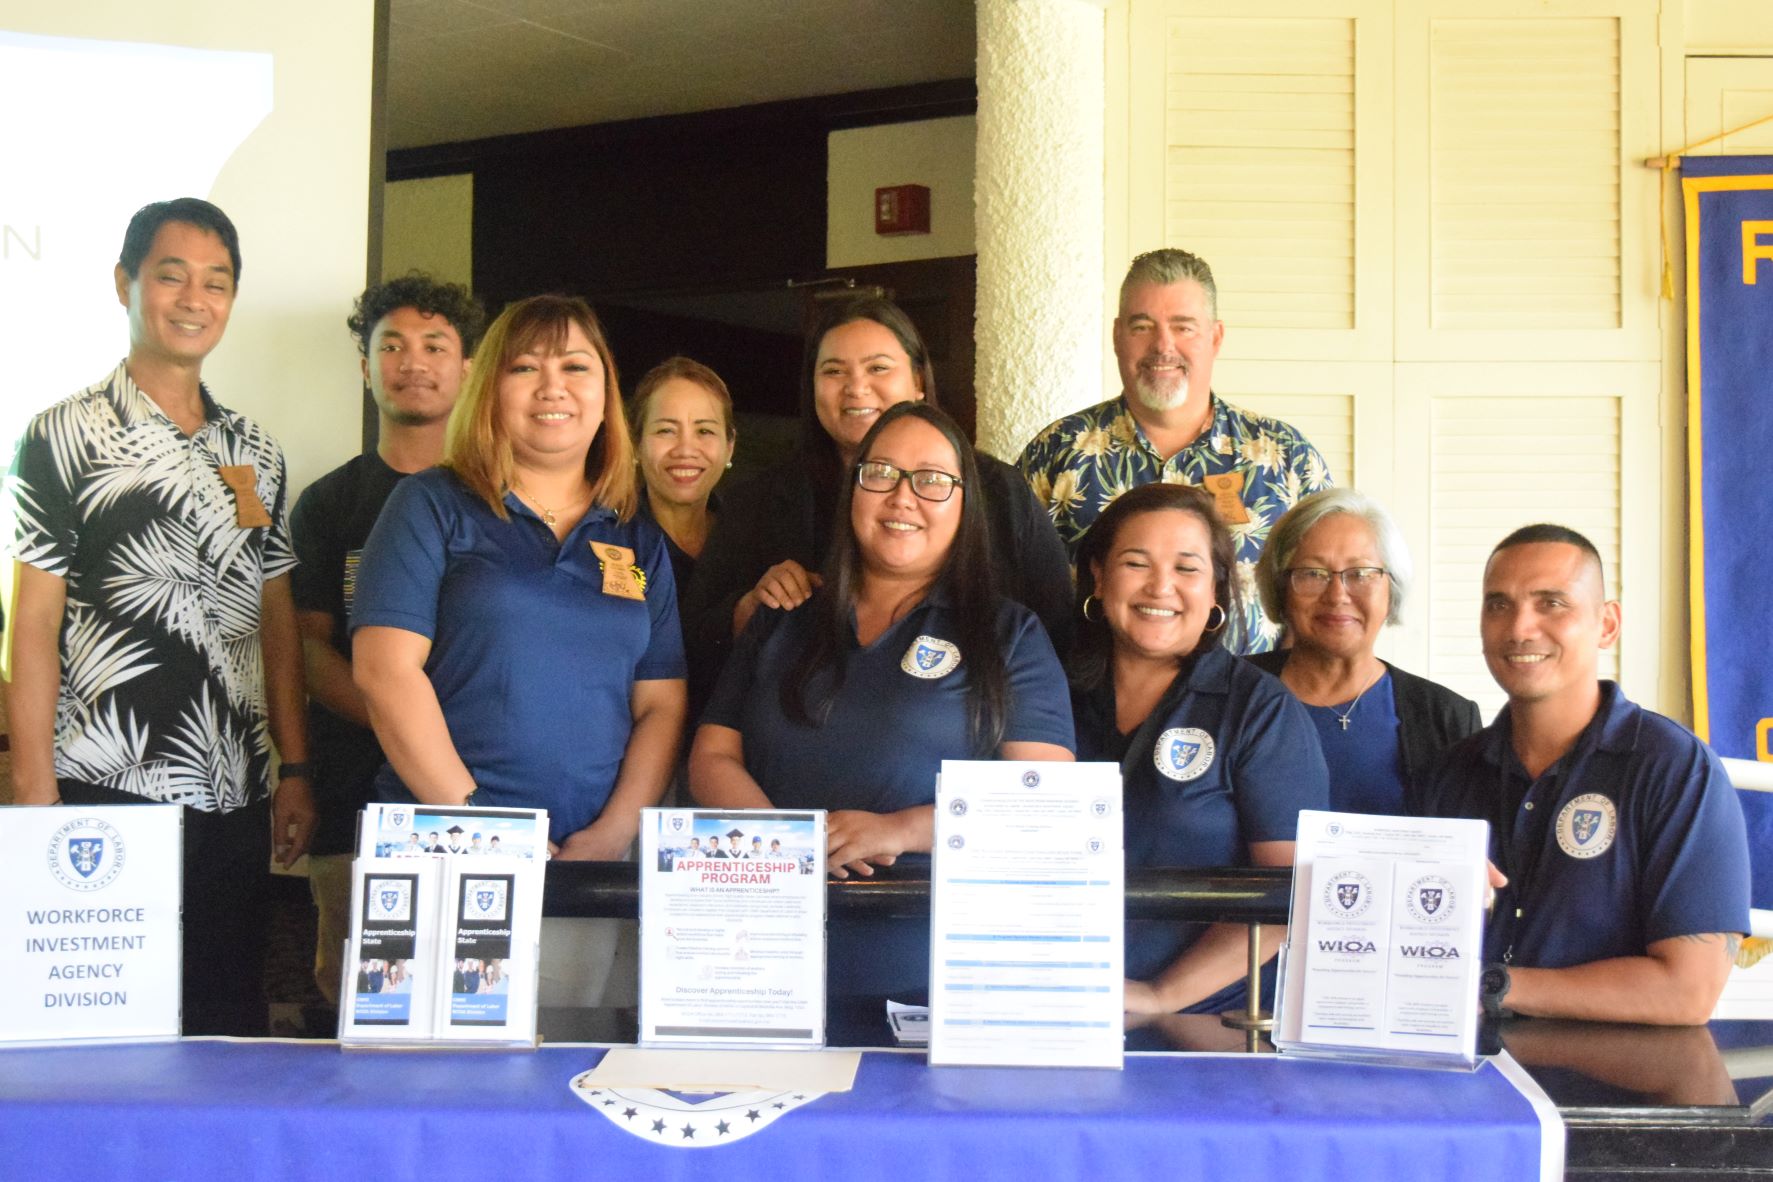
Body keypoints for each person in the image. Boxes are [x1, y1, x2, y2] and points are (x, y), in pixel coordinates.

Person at [4, 198, 313, 1037]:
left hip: (238, 789)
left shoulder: (256, 450)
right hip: (110, 783)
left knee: (227, 1021)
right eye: (170, 275)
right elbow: (32, 623)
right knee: (105, 1028)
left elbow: (275, 617)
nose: (192, 297)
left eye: (215, 282)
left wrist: (296, 766)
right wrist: (34, 794)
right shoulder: (62, 433)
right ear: (124, 284)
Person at [352, 294, 687, 1006]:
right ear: (488, 391)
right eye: (525, 367)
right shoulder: (431, 505)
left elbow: (661, 703)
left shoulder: (635, 538)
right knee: (436, 1092)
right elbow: (385, 672)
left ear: (605, 397)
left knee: (569, 1071)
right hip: (442, 847)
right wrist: (480, 829)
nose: (552, 386)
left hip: (586, 864)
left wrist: (611, 833)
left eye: (575, 366)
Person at [690, 402, 1075, 998]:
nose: (903, 496)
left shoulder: (1009, 635)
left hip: (935, 971)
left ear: (965, 505)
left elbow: (1046, 807)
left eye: (932, 481)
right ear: (853, 490)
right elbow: (713, 756)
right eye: (881, 473)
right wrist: (787, 847)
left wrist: (901, 830)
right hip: (761, 953)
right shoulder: (786, 615)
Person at [1411, 525, 1750, 1025]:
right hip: (1466, 1078)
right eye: (1498, 604)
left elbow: (1687, 993)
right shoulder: (1449, 774)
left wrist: (1490, 986)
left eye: (1551, 603)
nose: (1520, 628)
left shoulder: (1675, 769)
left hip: (1614, 1092)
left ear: (1607, 624)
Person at [685, 297, 1073, 705]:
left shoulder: (998, 493)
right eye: (833, 371)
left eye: (878, 368)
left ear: (918, 380)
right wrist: (747, 610)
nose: (856, 388)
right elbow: (690, 650)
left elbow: (1057, 639)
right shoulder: (757, 501)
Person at [292, 273, 483, 1008]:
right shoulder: (329, 502)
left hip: (479, 792)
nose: (414, 361)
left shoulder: (497, 498)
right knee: (362, 1006)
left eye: (436, 345)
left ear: (468, 368)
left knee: (482, 1002)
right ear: (365, 366)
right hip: (352, 801)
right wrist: (403, 721)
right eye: (392, 345)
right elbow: (308, 650)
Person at [1069, 482, 1329, 1015]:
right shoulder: (1049, 691)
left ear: (1216, 589)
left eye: (1187, 568)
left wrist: (1159, 998)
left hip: (1213, 1025)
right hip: (1059, 1009)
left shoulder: (1259, 710)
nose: (1161, 587)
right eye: (1136, 563)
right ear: (1099, 574)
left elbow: (1293, 896)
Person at [1018, 248, 1333, 654]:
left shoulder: (1288, 459)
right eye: (1142, 326)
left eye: (1183, 327)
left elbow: (1323, 593)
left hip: (1245, 709)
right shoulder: (1057, 452)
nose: (1162, 346)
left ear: (1215, 337)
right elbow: (1005, 591)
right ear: (1117, 336)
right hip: (1086, 708)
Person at [1248, 489, 1480, 815]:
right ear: (1281, 588)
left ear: (1391, 588)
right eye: (1314, 573)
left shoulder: (1447, 717)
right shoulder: (1230, 694)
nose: (1337, 595)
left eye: (1361, 574)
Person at [628, 356, 737, 599]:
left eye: (704, 431)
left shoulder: (752, 538)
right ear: (636, 444)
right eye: (666, 430)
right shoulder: (608, 539)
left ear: (729, 447)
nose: (686, 449)